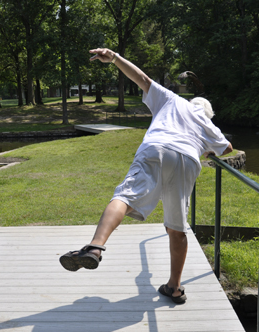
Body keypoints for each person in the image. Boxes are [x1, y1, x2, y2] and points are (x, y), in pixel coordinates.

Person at [59, 48, 233, 304]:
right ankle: (175, 287)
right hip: (187, 160)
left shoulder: (174, 100)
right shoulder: (207, 123)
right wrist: (207, 150)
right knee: (177, 227)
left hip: (158, 147)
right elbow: (227, 149)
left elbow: (143, 79)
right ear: (208, 113)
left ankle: (95, 246)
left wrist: (114, 57)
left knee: (126, 195)